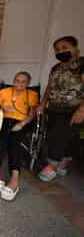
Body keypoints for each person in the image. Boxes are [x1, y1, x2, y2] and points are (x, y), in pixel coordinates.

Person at [38, 36, 84, 181]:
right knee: (66, 137)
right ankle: (63, 164)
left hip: (74, 109)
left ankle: (51, 166)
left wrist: (82, 110)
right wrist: (42, 103)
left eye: (65, 48)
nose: (60, 51)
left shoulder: (82, 65)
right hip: (54, 108)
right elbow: (49, 87)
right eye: (57, 49)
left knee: (57, 137)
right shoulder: (56, 68)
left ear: (75, 48)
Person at [0, 71, 38, 201]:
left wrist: (22, 124)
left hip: (22, 122)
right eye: (17, 80)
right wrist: (3, 109)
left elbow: (32, 114)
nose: (19, 84)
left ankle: (14, 179)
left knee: (14, 144)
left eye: (23, 82)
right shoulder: (4, 92)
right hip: (5, 119)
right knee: (0, 140)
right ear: (13, 80)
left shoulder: (32, 94)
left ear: (28, 83)